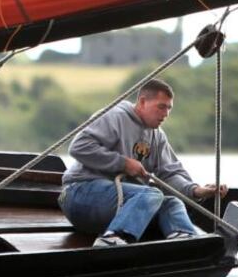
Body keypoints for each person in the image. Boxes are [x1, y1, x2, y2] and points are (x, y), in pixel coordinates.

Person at [60, 79, 228, 247]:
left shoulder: (157, 136)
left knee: (171, 202)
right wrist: (123, 163)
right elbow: (78, 147)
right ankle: (113, 239)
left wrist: (197, 190)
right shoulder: (114, 116)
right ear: (142, 102)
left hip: (121, 205)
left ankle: (185, 242)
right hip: (80, 195)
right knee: (151, 194)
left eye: (169, 108)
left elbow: (170, 173)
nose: (166, 114)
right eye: (161, 107)